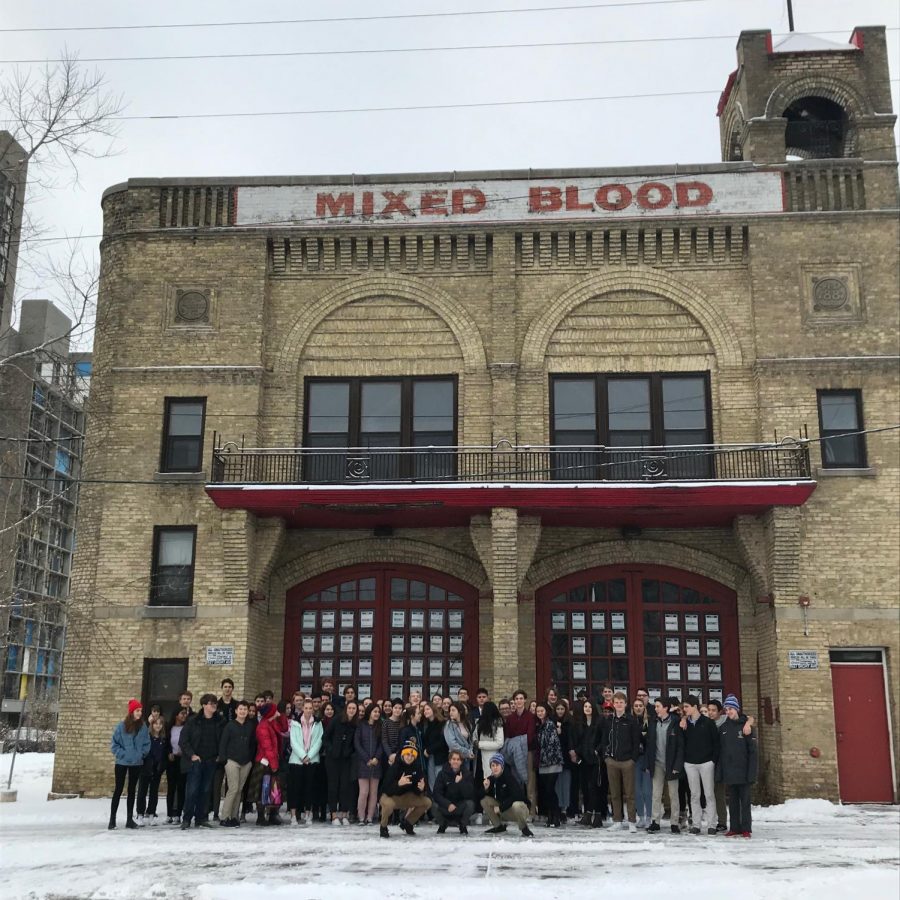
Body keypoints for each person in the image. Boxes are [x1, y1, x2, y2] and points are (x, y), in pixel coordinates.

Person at [179, 693, 223, 830]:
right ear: (204, 705)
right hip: (196, 761)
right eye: (211, 703)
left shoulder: (220, 721)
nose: (214, 706)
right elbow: (183, 741)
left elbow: (223, 740)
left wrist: (220, 755)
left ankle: (201, 818)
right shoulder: (193, 721)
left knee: (205, 790)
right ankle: (187, 818)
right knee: (192, 790)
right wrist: (192, 755)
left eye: (215, 703)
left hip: (211, 760)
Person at [600, 691, 641, 833]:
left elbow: (637, 742)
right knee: (615, 793)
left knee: (630, 794)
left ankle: (631, 821)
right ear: (613, 704)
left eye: (621, 702)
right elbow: (604, 740)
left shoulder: (631, 721)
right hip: (612, 761)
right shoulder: (608, 721)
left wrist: (633, 759)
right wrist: (606, 757)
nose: (618, 705)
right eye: (616, 702)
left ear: (625, 704)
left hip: (627, 761)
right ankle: (617, 820)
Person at [717, 695, 758, 838]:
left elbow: (753, 752)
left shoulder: (746, 727)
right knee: (733, 802)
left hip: (744, 771)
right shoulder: (723, 728)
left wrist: (752, 772)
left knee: (745, 802)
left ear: (737, 709)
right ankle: (734, 827)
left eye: (731, 709)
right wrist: (721, 771)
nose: (728, 711)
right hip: (730, 771)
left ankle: (746, 828)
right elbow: (721, 751)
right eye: (726, 709)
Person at [680, 694, 720, 835]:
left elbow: (716, 743)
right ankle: (696, 824)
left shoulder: (708, 723)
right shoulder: (685, 724)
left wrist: (712, 761)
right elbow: (682, 743)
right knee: (694, 795)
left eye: (686, 707)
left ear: (695, 707)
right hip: (690, 764)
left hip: (706, 763)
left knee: (709, 794)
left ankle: (712, 825)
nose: (684, 709)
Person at [645, 696, 685, 834]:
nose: (655, 709)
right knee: (656, 794)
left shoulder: (675, 723)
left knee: (674, 794)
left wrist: (677, 765)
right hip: (656, 763)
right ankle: (655, 821)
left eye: (658, 706)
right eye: (655, 706)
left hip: (671, 763)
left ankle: (674, 822)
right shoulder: (653, 722)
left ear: (666, 708)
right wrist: (648, 763)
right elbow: (649, 744)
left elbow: (680, 747)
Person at [109, 699, 150, 830]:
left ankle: (129, 819)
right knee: (118, 789)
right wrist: (122, 754)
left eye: (140, 711)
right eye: (137, 710)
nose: (139, 713)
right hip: (122, 762)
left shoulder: (143, 727)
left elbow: (147, 743)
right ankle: (112, 819)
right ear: (131, 712)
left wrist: (141, 754)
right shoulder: (121, 726)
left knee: (132, 790)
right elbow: (114, 744)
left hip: (136, 763)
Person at [379, 740, 432, 838]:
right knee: (388, 804)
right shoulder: (394, 767)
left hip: (406, 798)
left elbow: (418, 789)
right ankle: (383, 827)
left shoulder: (417, 768)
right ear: (403, 754)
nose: (409, 757)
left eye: (412, 756)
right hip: (391, 797)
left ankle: (407, 823)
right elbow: (385, 789)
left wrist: (421, 788)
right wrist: (398, 784)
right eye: (407, 754)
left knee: (427, 802)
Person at [217, 699, 256, 827]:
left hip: (246, 762)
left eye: (245, 709)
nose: (243, 711)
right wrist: (224, 759)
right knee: (232, 789)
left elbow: (253, 744)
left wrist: (250, 759)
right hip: (232, 761)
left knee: (239, 790)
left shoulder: (250, 726)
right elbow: (223, 743)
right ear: (236, 711)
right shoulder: (230, 726)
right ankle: (225, 817)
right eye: (240, 709)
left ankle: (234, 816)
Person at [248, 701, 287, 826]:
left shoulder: (272, 723)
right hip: (264, 762)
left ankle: (272, 814)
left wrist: (281, 715)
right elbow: (267, 747)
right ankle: (260, 816)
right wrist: (274, 765)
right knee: (262, 789)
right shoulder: (263, 727)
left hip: (273, 760)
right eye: (275, 710)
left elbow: (284, 728)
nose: (277, 712)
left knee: (274, 788)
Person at [288, 698, 324, 826]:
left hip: (312, 760)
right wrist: (303, 756)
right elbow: (293, 741)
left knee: (309, 788)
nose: (308, 710)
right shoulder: (295, 722)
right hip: (296, 760)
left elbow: (319, 741)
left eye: (310, 708)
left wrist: (309, 756)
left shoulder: (318, 723)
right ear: (302, 708)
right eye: (306, 708)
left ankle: (308, 813)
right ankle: (293, 815)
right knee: (295, 788)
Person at [481, 753, 534, 837]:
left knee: (517, 805)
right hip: (506, 811)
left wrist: (500, 808)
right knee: (484, 800)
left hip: (521, 810)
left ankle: (524, 828)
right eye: (493, 765)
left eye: (497, 765)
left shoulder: (509, 777)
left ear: (502, 766)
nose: (495, 767)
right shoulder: (491, 779)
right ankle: (498, 826)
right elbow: (479, 795)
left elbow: (517, 796)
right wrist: (486, 789)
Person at [324, 699, 358, 825]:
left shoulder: (355, 724)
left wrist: (350, 752)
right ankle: (333, 815)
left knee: (345, 786)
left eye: (354, 709)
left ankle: (344, 813)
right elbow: (325, 737)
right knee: (333, 786)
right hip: (332, 759)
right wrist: (332, 749)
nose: (351, 711)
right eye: (350, 708)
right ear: (346, 709)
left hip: (346, 759)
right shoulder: (337, 720)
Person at [504, 690, 537, 813]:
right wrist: (514, 745)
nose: (518, 701)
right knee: (516, 781)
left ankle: (531, 811)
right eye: (516, 699)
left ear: (525, 700)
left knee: (529, 781)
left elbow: (530, 735)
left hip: (528, 751)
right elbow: (508, 736)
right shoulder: (510, 718)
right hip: (514, 753)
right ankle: (517, 811)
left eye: (521, 698)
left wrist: (519, 742)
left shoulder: (530, 717)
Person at [572, 699, 602, 827]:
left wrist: (597, 750)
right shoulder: (580, 723)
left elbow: (604, 738)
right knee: (585, 787)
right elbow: (579, 741)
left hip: (596, 760)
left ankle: (595, 815)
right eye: (585, 706)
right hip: (583, 759)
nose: (588, 708)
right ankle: (587, 814)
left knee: (594, 787)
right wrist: (577, 752)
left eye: (590, 706)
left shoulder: (599, 722)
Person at [354, 702, 385, 826]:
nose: (376, 714)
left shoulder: (381, 726)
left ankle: (370, 817)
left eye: (378, 712)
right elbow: (357, 743)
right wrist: (367, 758)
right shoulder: (361, 725)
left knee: (374, 792)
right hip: (363, 763)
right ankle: (361, 817)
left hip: (376, 763)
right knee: (364, 792)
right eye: (374, 711)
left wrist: (376, 758)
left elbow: (382, 743)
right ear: (369, 712)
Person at [432, 749, 476, 834]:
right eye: (454, 759)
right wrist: (447, 804)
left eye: (458, 759)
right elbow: (436, 794)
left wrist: (461, 782)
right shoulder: (442, 774)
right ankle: (443, 824)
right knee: (433, 805)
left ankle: (463, 825)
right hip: (446, 807)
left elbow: (470, 794)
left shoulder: (467, 774)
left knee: (470, 804)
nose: (456, 761)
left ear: (461, 762)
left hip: (459, 807)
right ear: (449, 760)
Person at [534, 702, 563, 827]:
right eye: (538, 711)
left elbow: (552, 744)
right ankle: (550, 816)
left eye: (542, 711)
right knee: (546, 791)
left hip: (552, 761)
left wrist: (546, 757)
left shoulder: (550, 724)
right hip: (543, 763)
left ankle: (556, 816)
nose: (540, 713)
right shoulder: (539, 725)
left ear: (546, 711)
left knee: (551, 790)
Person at [136, 712, 167, 825]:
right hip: (145, 768)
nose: (158, 726)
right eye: (155, 724)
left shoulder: (163, 739)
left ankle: (151, 813)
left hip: (157, 768)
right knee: (142, 791)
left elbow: (164, 754)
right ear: (152, 725)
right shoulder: (146, 737)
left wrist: (161, 766)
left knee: (154, 792)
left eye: (160, 724)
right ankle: (140, 814)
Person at [165, 707, 188, 824]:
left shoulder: (187, 728)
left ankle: (178, 813)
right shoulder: (170, 728)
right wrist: (169, 752)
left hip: (182, 760)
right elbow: (166, 742)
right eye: (181, 714)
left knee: (181, 787)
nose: (184, 716)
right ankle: (169, 813)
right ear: (176, 715)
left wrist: (184, 752)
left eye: (185, 714)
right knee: (171, 788)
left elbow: (188, 742)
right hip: (172, 760)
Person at [632, 697, 653, 829]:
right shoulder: (630, 721)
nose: (638, 707)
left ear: (644, 707)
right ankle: (640, 816)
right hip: (634, 759)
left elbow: (651, 742)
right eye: (636, 706)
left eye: (640, 705)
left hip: (646, 758)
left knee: (647, 790)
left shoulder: (650, 722)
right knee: (637, 791)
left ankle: (650, 817)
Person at [473, 701, 505, 776]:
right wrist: (474, 741)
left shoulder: (497, 723)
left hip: (491, 756)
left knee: (489, 778)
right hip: (478, 756)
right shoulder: (479, 722)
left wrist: (480, 744)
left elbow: (499, 743)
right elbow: (474, 735)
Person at [422, 701, 448, 791]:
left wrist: (428, 750)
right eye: (424, 710)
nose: (425, 712)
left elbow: (442, 741)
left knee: (440, 778)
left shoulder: (442, 723)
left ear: (433, 709)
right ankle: (435, 800)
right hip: (430, 757)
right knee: (431, 779)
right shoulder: (427, 725)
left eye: (427, 709)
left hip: (440, 756)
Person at [443, 701, 475, 770]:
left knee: (465, 778)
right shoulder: (449, 724)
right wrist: (467, 752)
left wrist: (471, 751)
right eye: (450, 710)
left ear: (460, 711)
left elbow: (470, 740)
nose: (450, 712)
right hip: (455, 758)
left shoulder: (467, 723)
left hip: (466, 759)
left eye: (453, 710)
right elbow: (452, 744)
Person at [382, 698, 405, 766]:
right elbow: (384, 741)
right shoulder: (386, 722)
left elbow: (403, 741)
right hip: (387, 755)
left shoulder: (403, 723)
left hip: (400, 755)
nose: (397, 710)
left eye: (400, 708)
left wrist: (397, 755)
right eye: (395, 708)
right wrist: (390, 755)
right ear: (392, 708)